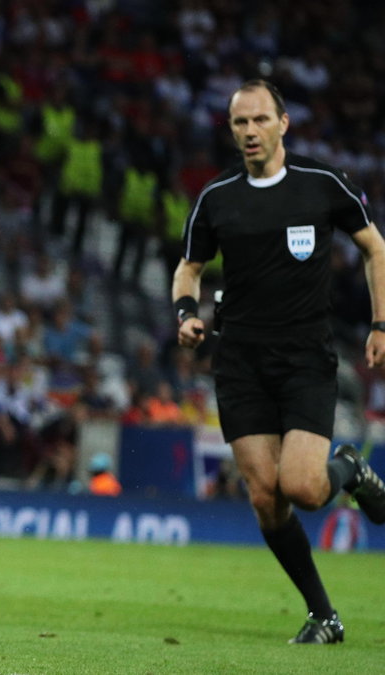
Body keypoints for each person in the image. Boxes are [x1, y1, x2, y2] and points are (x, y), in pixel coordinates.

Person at [172, 79, 385, 645]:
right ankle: (324, 615)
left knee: (306, 490)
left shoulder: (321, 184)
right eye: (240, 122)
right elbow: (189, 267)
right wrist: (185, 314)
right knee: (265, 496)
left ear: (283, 124)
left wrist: (381, 322)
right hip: (240, 362)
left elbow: (375, 248)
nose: (249, 131)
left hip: (303, 358)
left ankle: (351, 470)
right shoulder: (216, 198)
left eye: (260, 120)